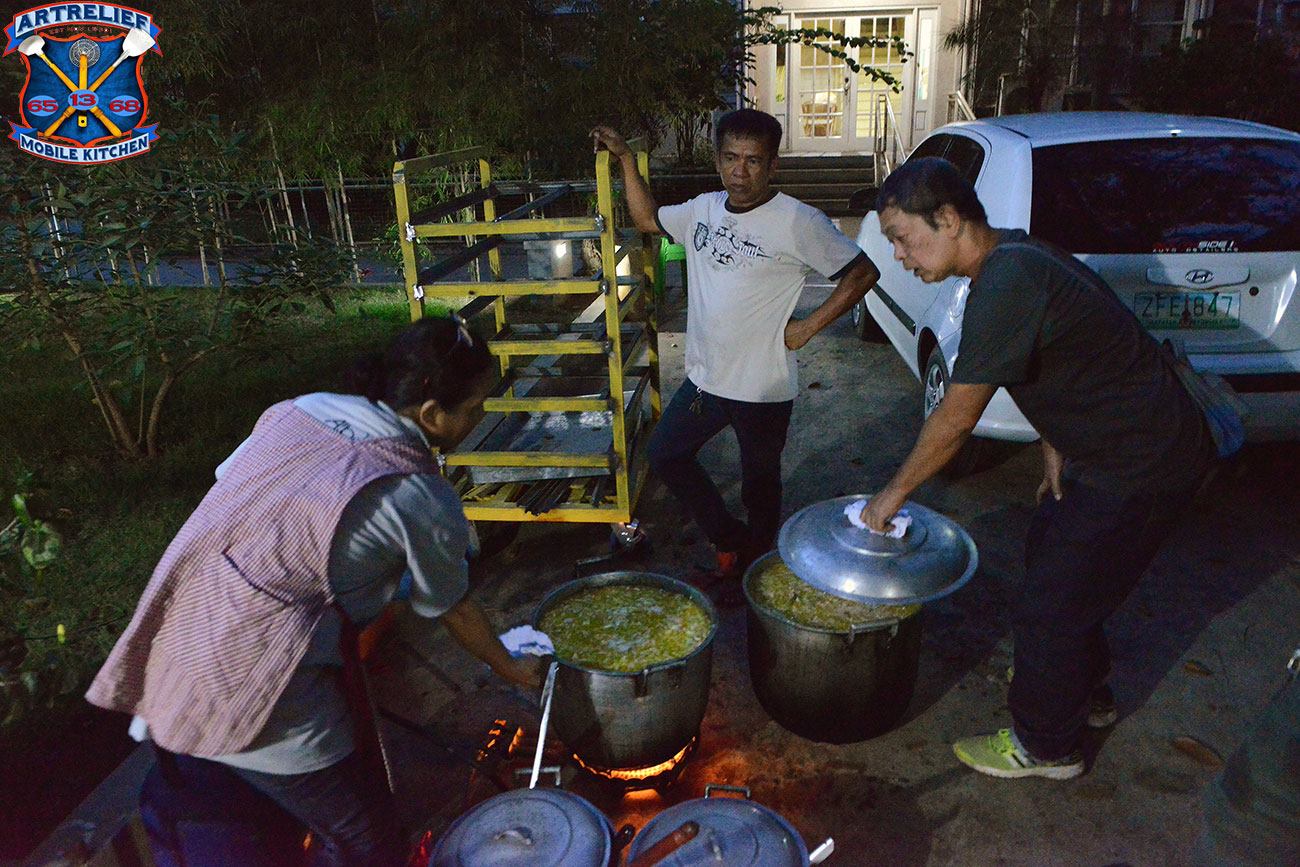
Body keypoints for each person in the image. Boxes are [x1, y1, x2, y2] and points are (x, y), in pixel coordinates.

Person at [85, 316, 541, 865]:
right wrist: (513, 668)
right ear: (430, 415)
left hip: (186, 627)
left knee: (233, 799)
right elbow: (453, 608)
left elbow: (238, 482)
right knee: (367, 839)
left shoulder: (302, 409)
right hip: (260, 677)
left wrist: (363, 569)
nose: (481, 416)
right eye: (474, 406)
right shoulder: (420, 495)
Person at [859, 157, 1215, 779]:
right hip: (1108, 450)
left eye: (902, 237)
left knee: (1050, 606)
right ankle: (1085, 695)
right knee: (1054, 556)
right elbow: (1062, 355)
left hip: (1143, 460)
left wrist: (888, 499)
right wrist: (1054, 445)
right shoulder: (1014, 258)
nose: (898, 255)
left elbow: (955, 419)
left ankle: (1047, 746)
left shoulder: (1009, 279)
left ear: (948, 218)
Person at [591, 110, 880, 582]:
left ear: (773, 166)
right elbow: (645, 218)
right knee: (665, 454)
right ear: (718, 160)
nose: (740, 172)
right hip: (706, 380)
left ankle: (756, 573)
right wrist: (625, 157)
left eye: (753, 160)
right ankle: (730, 540)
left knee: (759, 488)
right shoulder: (702, 209)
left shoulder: (798, 221)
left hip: (763, 387)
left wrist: (807, 328)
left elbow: (862, 272)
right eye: (730, 158)